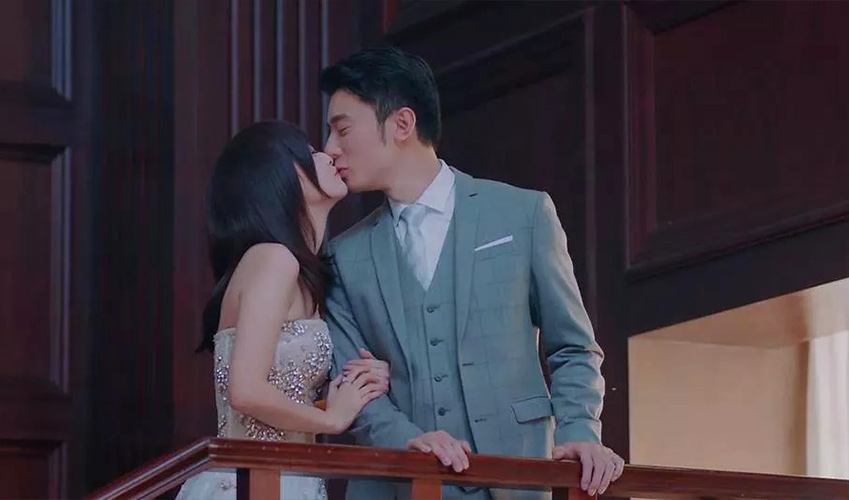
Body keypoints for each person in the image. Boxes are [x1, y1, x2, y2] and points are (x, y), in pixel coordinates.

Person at [320, 46, 625, 499]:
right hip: (397, 488)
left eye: (342, 130)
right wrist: (407, 441)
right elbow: (349, 384)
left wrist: (579, 429)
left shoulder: (523, 214)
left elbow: (573, 346)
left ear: (402, 124)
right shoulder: (343, 256)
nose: (330, 149)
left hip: (514, 477)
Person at [176, 121, 391, 500]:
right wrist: (330, 419)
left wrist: (353, 387)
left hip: (289, 479)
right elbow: (245, 391)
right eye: (309, 153)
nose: (327, 155)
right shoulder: (274, 259)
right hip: (254, 482)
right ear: (277, 177)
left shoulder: (301, 271)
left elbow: (279, 394)